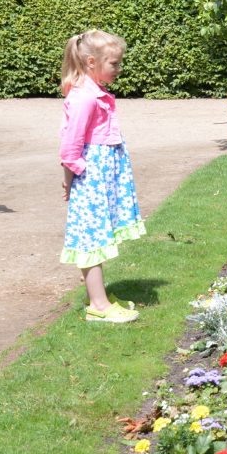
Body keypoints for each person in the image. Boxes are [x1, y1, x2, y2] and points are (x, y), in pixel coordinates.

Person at [59, 29, 145, 322]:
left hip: (101, 177)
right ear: (92, 61)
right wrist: (73, 178)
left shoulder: (96, 92)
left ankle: (99, 296)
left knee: (99, 234)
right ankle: (98, 306)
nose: (119, 69)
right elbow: (70, 146)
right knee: (91, 239)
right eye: (114, 64)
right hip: (90, 177)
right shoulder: (84, 97)